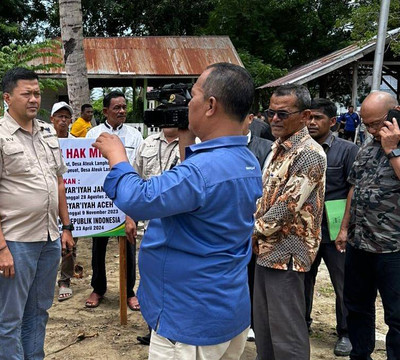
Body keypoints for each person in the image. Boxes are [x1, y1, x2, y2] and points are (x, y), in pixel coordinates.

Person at [93, 62, 262, 359]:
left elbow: (139, 199)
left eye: (192, 97)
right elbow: (193, 195)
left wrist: (118, 158)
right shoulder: (244, 159)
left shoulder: (202, 171)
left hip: (189, 319)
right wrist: (187, 138)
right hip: (225, 307)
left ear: (210, 105)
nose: (187, 105)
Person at [0, 67, 74, 359]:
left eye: (37, 93)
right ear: (7, 98)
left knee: (40, 310)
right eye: (26, 93)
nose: (33, 99)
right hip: (15, 241)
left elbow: (58, 181)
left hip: (49, 237)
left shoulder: (47, 132)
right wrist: (0, 247)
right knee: (11, 318)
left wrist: (66, 227)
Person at [253, 84, 327, 360]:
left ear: (305, 115)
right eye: (270, 112)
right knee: (264, 329)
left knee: (287, 335)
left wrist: (250, 232)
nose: (274, 119)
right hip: (266, 250)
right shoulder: (277, 149)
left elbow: (286, 207)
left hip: (288, 255)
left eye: (282, 114)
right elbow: (263, 199)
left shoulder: (309, 153)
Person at [335, 91, 400, 360]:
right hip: (360, 243)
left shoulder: (391, 143)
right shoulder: (368, 144)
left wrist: (393, 148)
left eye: (376, 123)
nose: (372, 129)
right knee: (358, 307)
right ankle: (360, 355)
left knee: (396, 316)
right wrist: (344, 227)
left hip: (393, 248)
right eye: (366, 124)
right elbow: (355, 187)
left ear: (396, 111)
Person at [303, 98, 358, 356]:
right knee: (302, 281)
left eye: (318, 118)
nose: (312, 123)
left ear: (333, 122)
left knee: (342, 283)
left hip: (335, 230)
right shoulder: (300, 149)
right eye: (309, 117)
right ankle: (301, 324)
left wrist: (345, 228)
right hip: (305, 231)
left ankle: (345, 332)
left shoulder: (347, 150)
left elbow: (353, 190)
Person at [85, 91, 143, 310]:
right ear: (106, 111)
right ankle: (98, 288)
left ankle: (129, 292)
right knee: (98, 247)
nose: (121, 111)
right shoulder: (93, 133)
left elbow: (138, 168)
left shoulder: (135, 135)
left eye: (124, 107)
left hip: (128, 199)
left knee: (129, 245)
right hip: (99, 200)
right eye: (116, 107)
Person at [132, 126, 181, 346]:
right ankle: (154, 328)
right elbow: (134, 180)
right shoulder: (147, 143)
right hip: (150, 227)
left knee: (176, 278)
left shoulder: (194, 143)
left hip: (180, 227)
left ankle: (174, 331)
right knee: (150, 279)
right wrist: (129, 217)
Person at [243, 113, 273, 343]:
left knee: (253, 274)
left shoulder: (267, 148)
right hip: (232, 222)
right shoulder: (223, 144)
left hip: (257, 224)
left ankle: (252, 322)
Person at [49, 101, 79, 302]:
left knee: (70, 240)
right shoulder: (43, 141)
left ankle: (65, 280)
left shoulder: (78, 142)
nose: (62, 120)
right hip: (50, 198)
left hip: (73, 198)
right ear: (52, 119)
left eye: (66, 117)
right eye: (59, 116)